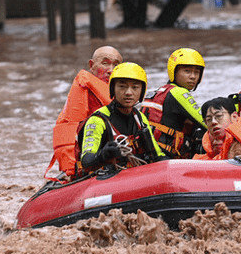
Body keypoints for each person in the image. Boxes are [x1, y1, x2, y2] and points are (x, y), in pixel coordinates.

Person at [47, 46, 123, 179]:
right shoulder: (84, 90)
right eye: (105, 63)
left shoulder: (125, 92)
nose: (110, 70)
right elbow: (72, 133)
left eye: (116, 65)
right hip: (90, 159)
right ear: (92, 65)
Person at [79, 62, 166, 173]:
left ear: (142, 91)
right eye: (122, 86)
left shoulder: (140, 118)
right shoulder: (98, 120)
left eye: (135, 87)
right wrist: (103, 155)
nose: (128, 92)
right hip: (106, 180)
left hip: (135, 177)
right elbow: (86, 162)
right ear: (113, 89)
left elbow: (158, 155)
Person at [140, 48, 207, 158]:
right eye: (187, 71)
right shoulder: (178, 93)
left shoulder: (160, 92)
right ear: (174, 72)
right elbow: (205, 122)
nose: (193, 76)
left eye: (197, 72)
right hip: (166, 159)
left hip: (149, 155)